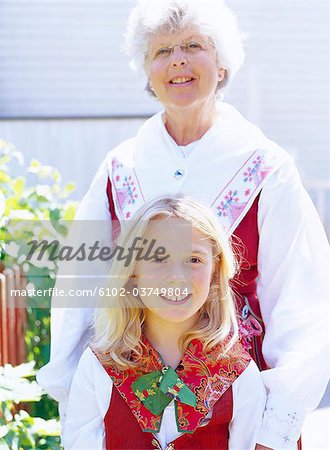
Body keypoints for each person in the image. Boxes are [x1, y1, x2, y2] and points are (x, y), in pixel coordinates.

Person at [37, 1, 330, 449]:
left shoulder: (266, 167)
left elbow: (302, 303)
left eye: (194, 45)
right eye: (162, 50)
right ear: (147, 71)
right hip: (126, 399)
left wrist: (274, 429)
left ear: (223, 63)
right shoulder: (120, 168)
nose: (177, 60)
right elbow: (81, 288)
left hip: (238, 407)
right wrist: (73, 393)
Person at [62, 195, 266, 450]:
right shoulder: (98, 367)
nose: (177, 277)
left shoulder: (238, 374)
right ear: (132, 272)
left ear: (215, 270)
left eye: (194, 260)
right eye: (158, 258)